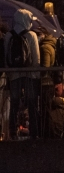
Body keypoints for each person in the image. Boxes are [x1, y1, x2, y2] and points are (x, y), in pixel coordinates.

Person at [3, 9, 40, 139]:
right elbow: (36, 59)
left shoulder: (8, 35)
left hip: (14, 74)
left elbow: (6, 56)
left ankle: (13, 131)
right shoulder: (31, 35)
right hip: (30, 74)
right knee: (31, 103)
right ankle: (34, 132)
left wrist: (9, 73)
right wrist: (36, 74)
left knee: (14, 103)